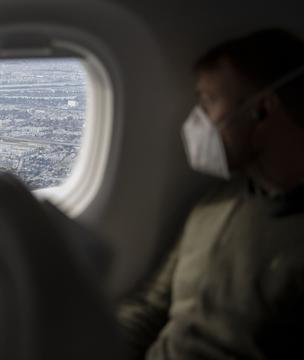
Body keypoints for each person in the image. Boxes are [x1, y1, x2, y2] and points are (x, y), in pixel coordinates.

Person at [117, 28, 304, 359]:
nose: (196, 122)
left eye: (208, 101)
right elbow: (151, 309)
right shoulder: (214, 204)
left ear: (261, 110)